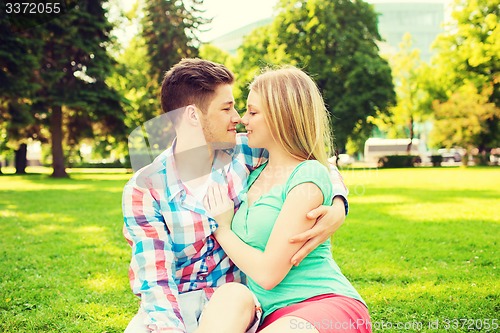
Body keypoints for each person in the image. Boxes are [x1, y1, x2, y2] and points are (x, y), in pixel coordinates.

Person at [122, 59, 349, 333]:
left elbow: (312, 164)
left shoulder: (247, 151)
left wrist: (338, 205)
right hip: (174, 306)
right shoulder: (144, 188)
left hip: (235, 305)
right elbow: (156, 281)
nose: (239, 117)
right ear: (193, 116)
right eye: (227, 108)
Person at [197, 67, 371, 333]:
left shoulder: (309, 174)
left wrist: (222, 229)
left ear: (282, 117)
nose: (243, 119)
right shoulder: (252, 172)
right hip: (267, 314)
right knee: (229, 294)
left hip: (321, 303)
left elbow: (268, 275)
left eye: (253, 112)